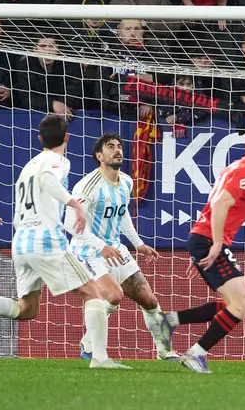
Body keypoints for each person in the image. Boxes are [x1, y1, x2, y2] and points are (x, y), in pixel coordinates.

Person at [0, 114, 130, 370]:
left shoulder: (29, 165)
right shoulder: (58, 161)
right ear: (67, 138)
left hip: (22, 242)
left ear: (40, 139)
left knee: (27, 309)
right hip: (46, 241)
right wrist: (74, 204)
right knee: (95, 295)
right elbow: (48, 181)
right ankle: (99, 358)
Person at [167, 126, 245, 374]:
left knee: (235, 302)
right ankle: (195, 352)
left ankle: (170, 321)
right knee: (242, 304)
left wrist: (201, 248)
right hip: (208, 239)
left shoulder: (236, 166)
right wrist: (216, 243)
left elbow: (214, 204)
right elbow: (219, 203)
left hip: (202, 238)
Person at [69, 133, 177, 360]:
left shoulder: (126, 182)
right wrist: (101, 247)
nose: (117, 150)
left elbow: (123, 213)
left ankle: (164, 351)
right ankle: (89, 342)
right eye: (110, 147)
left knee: (149, 300)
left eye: (119, 146)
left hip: (116, 249)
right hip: (88, 251)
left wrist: (138, 244)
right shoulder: (87, 186)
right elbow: (71, 225)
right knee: (113, 296)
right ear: (99, 156)